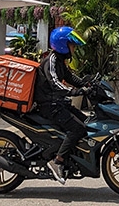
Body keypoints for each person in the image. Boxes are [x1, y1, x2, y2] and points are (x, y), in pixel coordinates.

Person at [35, 26, 89, 185]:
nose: (74, 49)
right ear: (63, 45)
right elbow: (55, 83)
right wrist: (74, 92)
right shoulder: (51, 60)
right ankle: (57, 161)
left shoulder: (59, 61)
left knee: (86, 122)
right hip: (49, 105)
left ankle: (70, 157)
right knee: (77, 129)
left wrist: (86, 84)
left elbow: (70, 77)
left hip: (58, 103)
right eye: (72, 45)